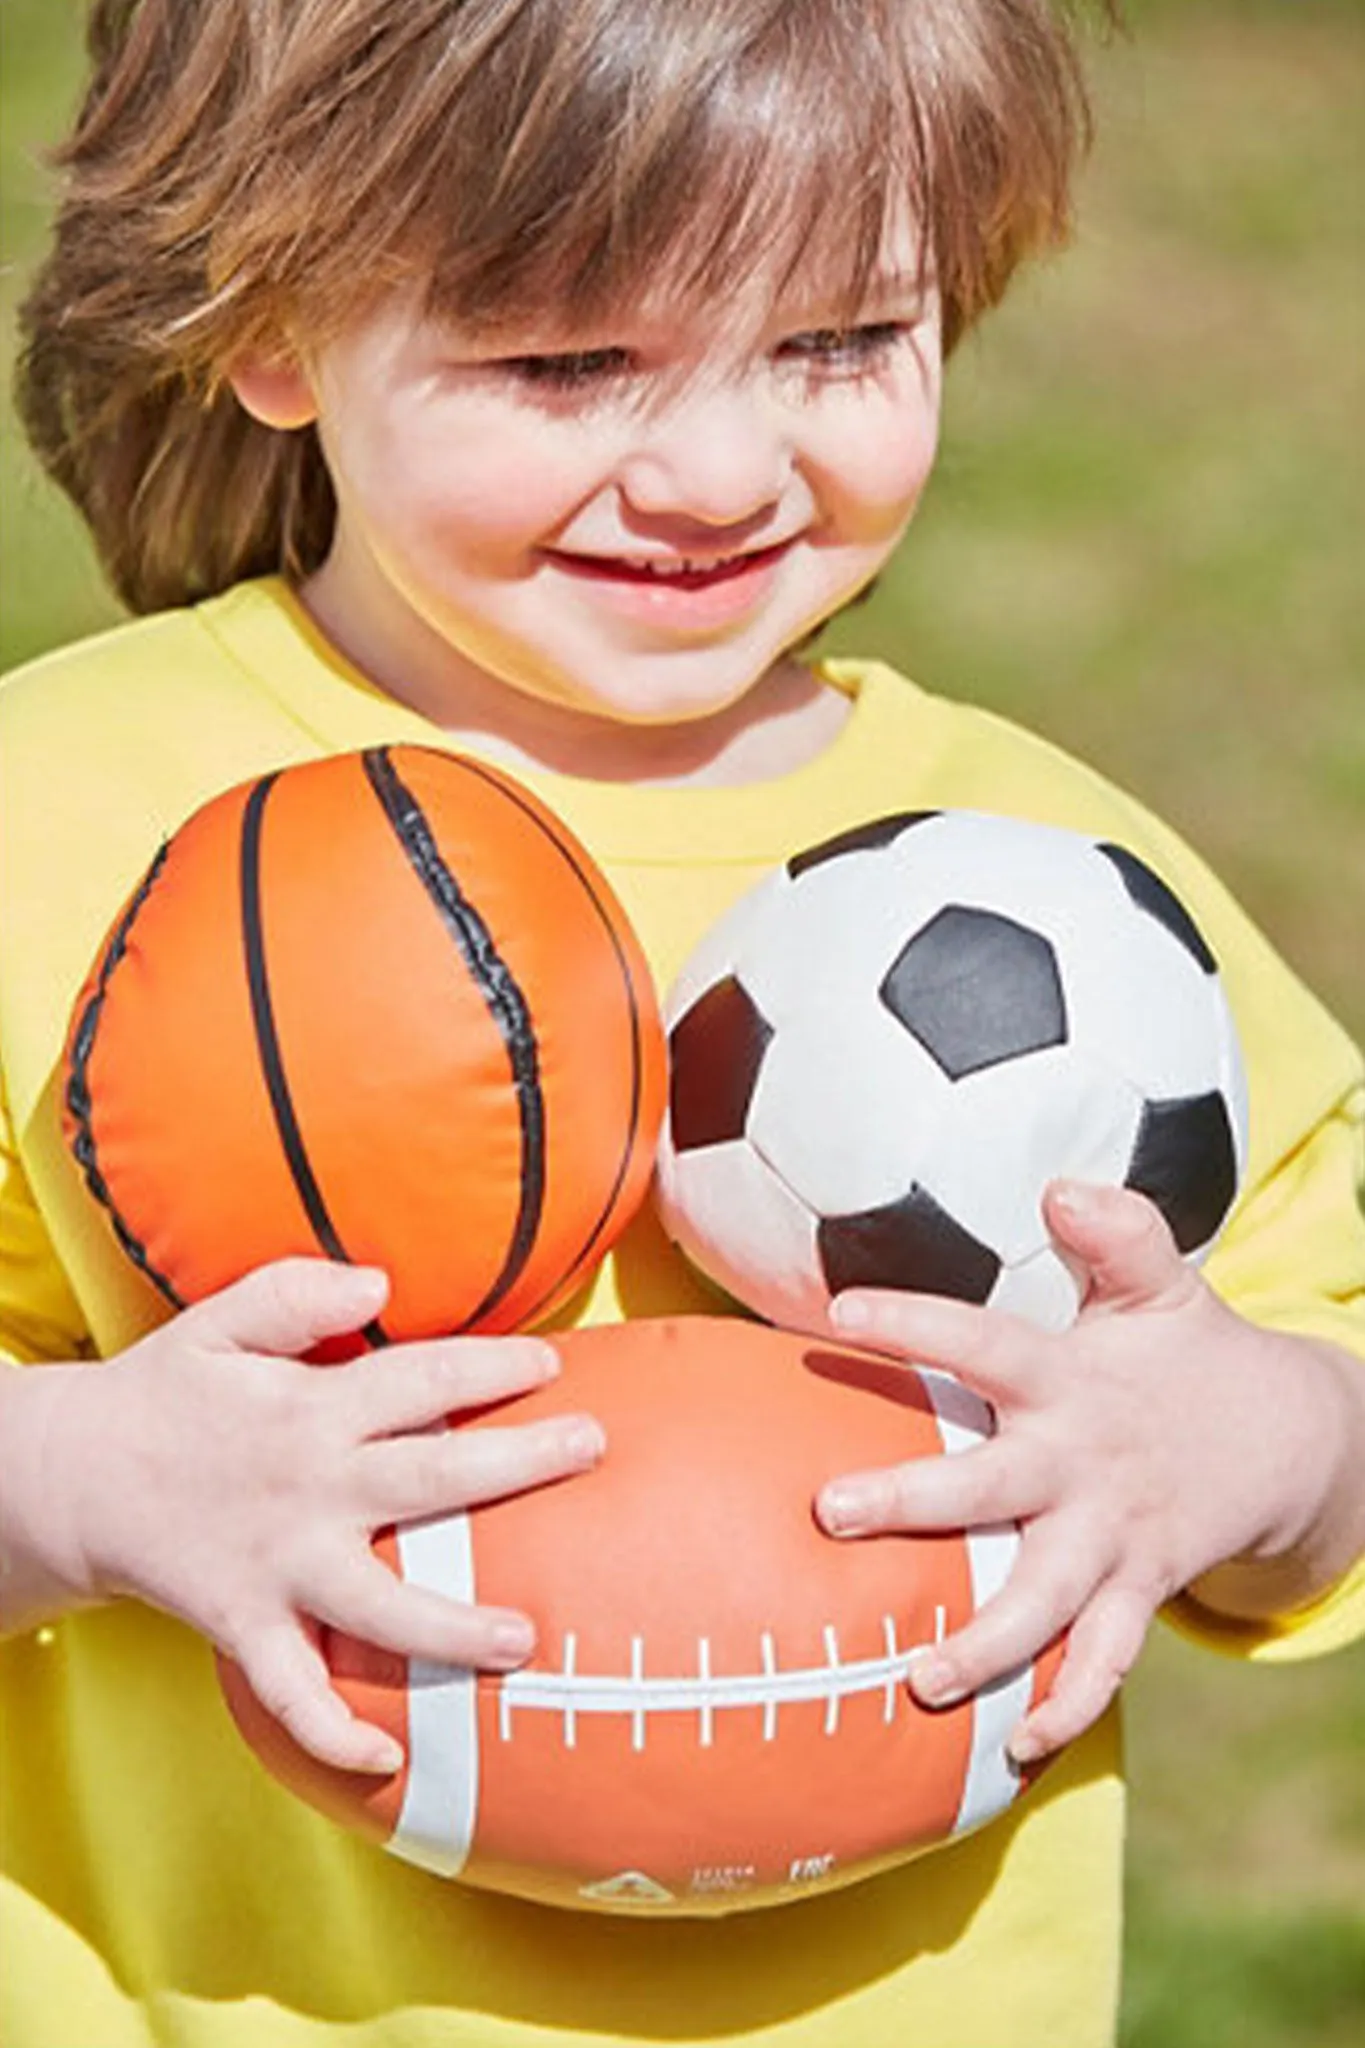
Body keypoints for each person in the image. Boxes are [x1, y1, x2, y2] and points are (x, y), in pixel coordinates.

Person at [1, 1, 1361, 2043]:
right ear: (272, 325)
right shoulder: (57, 818)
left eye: (840, 340)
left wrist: (1234, 1441)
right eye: (568, 358)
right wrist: (89, 1477)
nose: (725, 468)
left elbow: (1323, 1440)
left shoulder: (1066, 892)